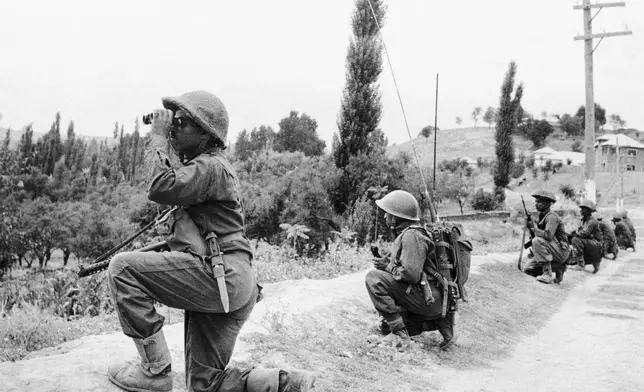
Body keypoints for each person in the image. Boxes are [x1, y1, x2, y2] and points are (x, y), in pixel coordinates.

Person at [106, 91, 315, 392]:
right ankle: (286, 384)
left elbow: (159, 187)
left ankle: (154, 372)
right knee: (205, 385)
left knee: (122, 269)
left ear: (206, 133)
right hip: (231, 279)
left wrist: (159, 138)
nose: (174, 127)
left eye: (182, 122)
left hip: (221, 276)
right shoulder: (207, 167)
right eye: (173, 122)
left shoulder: (210, 167)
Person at [364, 190, 457, 351]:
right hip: (433, 300)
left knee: (373, 278)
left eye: (388, 214)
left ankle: (400, 336)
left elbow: (411, 274)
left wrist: (386, 267)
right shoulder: (410, 234)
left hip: (429, 300)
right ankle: (438, 324)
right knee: (385, 326)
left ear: (396, 217)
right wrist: (387, 262)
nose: (385, 217)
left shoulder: (411, 236)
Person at [522, 190, 570, 284]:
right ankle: (558, 268)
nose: (536, 204)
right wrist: (530, 227)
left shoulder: (551, 217)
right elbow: (538, 235)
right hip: (553, 249)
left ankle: (547, 274)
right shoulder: (543, 216)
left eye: (538, 202)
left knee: (537, 241)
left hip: (561, 251)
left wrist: (533, 227)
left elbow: (548, 236)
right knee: (528, 269)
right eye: (536, 202)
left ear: (546, 203)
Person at [569, 200, 603, 273]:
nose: (581, 211)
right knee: (574, 239)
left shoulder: (592, 221)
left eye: (583, 209)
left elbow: (584, 233)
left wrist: (573, 234)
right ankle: (594, 263)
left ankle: (581, 264)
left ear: (588, 210)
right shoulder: (584, 220)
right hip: (593, 243)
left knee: (575, 240)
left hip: (596, 244)